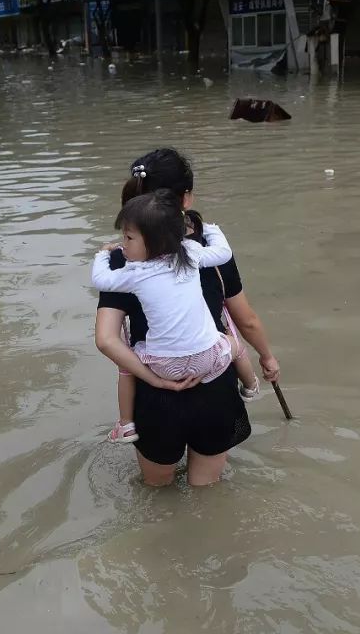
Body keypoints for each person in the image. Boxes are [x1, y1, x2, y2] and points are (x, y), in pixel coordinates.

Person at [94, 149, 280, 486]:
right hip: (214, 381)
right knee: (206, 490)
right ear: (186, 198)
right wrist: (266, 357)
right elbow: (246, 320)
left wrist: (154, 380)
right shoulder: (203, 250)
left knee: (156, 490)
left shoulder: (124, 258)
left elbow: (107, 339)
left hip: (155, 390)